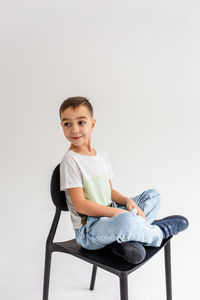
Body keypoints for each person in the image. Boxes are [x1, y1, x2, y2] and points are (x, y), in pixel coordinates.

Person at [59, 96, 189, 264]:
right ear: (62, 126)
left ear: (92, 124)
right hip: (90, 230)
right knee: (126, 220)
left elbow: (110, 191)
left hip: (111, 214)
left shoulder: (102, 157)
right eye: (67, 124)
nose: (74, 130)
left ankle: (122, 241)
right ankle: (158, 232)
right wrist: (119, 213)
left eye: (81, 122)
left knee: (153, 196)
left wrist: (127, 202)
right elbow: (81, 205)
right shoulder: (71, 161)